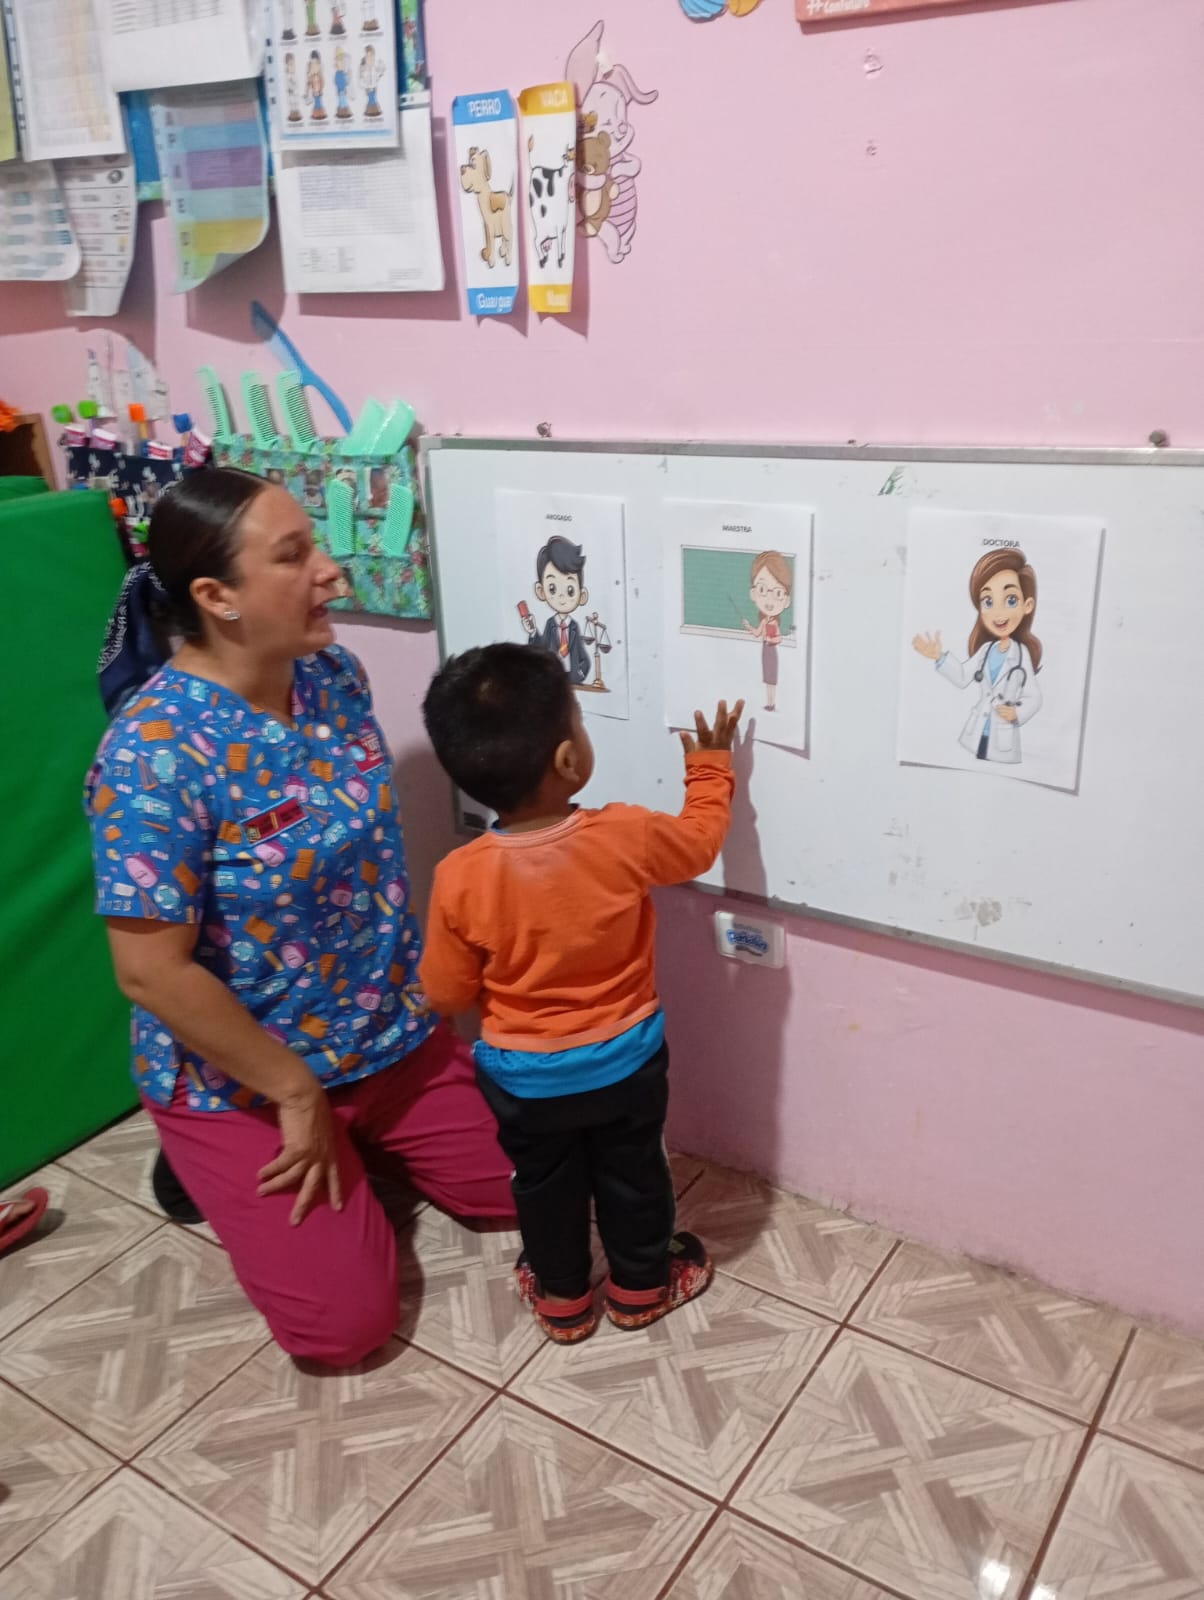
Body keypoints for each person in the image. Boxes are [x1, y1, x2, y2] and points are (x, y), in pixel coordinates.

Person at [85, 469, 514, 1367]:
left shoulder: (332, 678)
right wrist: (293, 1090)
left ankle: (371, 1142)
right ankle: (202, 1151)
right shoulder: (152, 755)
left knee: (532, 1187)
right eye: (293, 556)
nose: (332, 572)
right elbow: (148, 971)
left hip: (388, 1038)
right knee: (344, 1329)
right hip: (250, 1081)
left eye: (316, 545)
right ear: (218, 597)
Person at [420, 642, 742, 1343]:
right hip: (625, 1062)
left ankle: (562, 1300)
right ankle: (640, 1288)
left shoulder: (459, 876)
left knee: (544, 1184)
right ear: (568, 760)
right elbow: (698, 844)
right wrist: (710, 767)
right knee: (633, 1175)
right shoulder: (623, 834)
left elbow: (446, 991)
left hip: (523, 1078)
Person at [912, 547, 1043, 765]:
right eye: (988, 601)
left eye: (1010, 600)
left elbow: (1034, 697)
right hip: (977, 733)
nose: (998, 613)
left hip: (1002, 736)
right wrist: (939, 657)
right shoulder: (986, 650)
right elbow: (963, 676)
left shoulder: (1021, 655)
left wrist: (1017, 713)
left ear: (1027, 605)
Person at [520, 535, 592, 685]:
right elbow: (541, 649)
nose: (561, 596)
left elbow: (584, 658)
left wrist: (578, 675)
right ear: (541, 591)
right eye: (552, 588)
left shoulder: (574, 627)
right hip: (553, 679)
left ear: (582, 595)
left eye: (570, 590)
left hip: (571, 679)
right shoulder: (550, 624)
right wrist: (532, 632)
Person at [741, 549, 792, 712]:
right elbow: (757, 633)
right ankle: (769, 703)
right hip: (765, 649)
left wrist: (770, 640)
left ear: (786, 600)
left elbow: (778, 638)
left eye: (777, 592)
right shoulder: (764, 620)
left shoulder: (774, 622)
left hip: (770, 650)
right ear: (753, 593)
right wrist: (748, 626)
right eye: (762, 590)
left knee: (772, 679)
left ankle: (772, 703)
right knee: (767, 678)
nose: (769, 599)